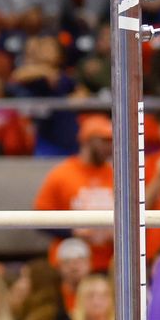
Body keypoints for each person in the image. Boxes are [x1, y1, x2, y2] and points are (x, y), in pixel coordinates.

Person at [33, 115, 114, 272]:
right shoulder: (62, 173)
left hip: (108, 263)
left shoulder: (116, 174)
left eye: (111, 141)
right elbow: (39, 218)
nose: (109, 146)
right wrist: (73, 231)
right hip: (69, 263)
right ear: (87, 141)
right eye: (103, 141)